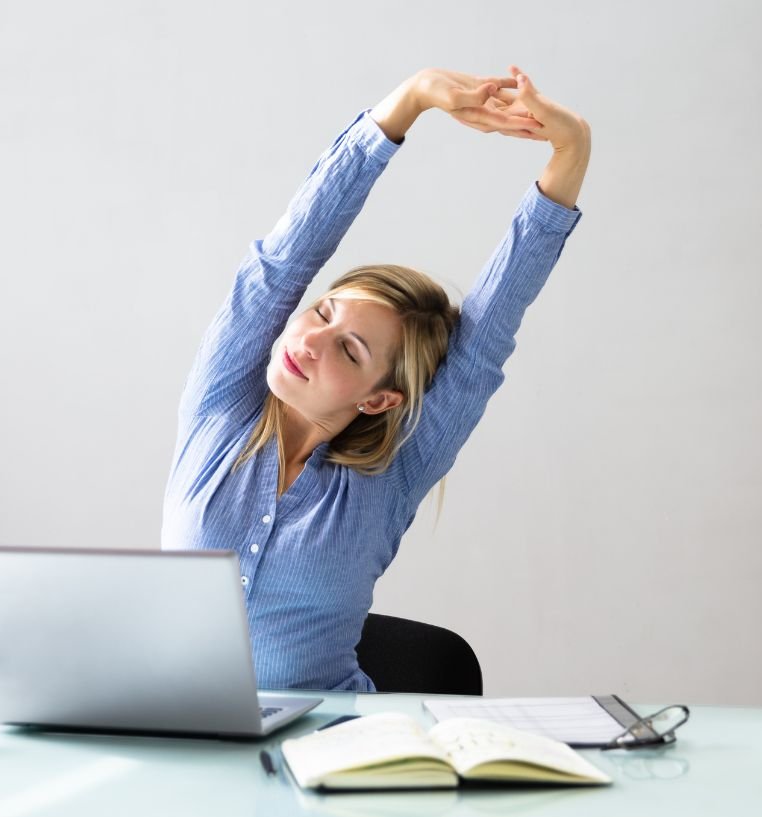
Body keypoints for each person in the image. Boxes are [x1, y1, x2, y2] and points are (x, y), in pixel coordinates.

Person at [161, 65, 590, 691]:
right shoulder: (220, 408)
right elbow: (284, 261)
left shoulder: (392, 478)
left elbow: (485, 340)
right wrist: (409, 102)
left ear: (381, 398)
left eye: (350, 349)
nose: (309, 340)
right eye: (323, 311)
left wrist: (572, 147)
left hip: (331, 760)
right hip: (175, 741)